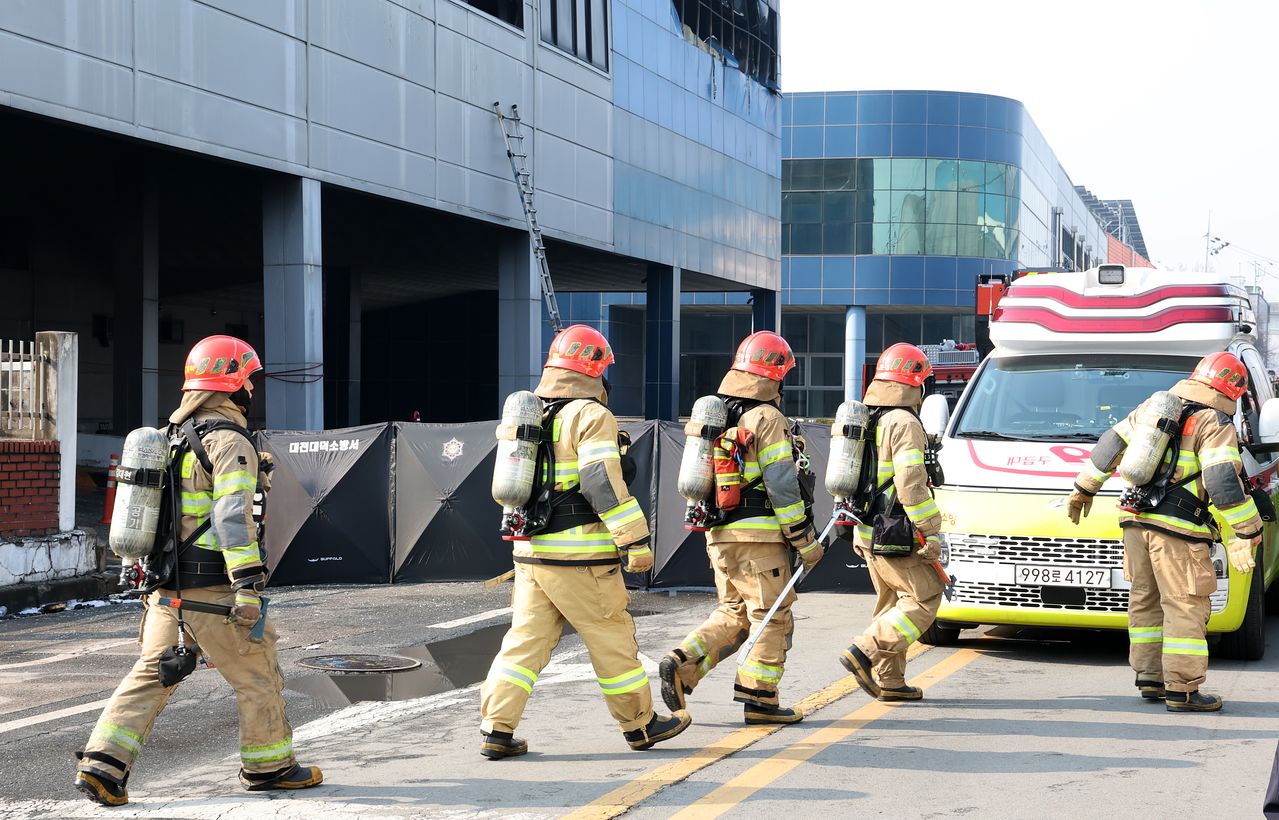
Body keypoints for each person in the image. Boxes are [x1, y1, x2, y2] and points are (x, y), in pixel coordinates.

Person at [74, 335, 322, 806]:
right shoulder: (230, 442)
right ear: (233, 383)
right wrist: (248, 586)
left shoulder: (167, 440)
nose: (253, 388)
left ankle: (103, 767)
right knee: (257, 673)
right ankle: (270, 766)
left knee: (152, 673)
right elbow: (233, 518)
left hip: (165, 589)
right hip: (214, 591)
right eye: (249, 379)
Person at [479, 325, 690, 758]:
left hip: (531, 552)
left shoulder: (532, 411)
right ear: (596, 369)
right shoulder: (591, 416)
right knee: (611, 636)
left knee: (524, 641)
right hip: (581, 557)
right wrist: (634, 540)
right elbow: (602, 484)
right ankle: (641, 725)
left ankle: (496, 729)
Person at [1067, 351, 1263, 712]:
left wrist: (1083, 489)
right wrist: (1247, 531)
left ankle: (1150, 678)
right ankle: (1183, 689)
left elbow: (1110, 444)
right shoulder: (1213, 421)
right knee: (1185, 604)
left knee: (1145, 599)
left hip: (1135, 521)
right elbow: (1221, 481)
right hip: (1177, 530)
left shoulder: (1154, 406)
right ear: (1233, 389)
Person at [658, 331, 822, 725]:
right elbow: (782, 484)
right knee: (772, 614)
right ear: (776, 376)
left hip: (720, 535)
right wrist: (804, 538)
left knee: (734, 611)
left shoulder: (720, 414)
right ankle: (760, 696)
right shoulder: (767, 418)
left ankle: (682, 666)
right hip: (760, 539)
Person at [839, 343, 944, 702]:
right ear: (918, 384)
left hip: (867, 531)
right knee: (923, 597)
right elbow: (911, 482)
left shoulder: (870, 417)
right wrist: (931, 532)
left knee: (890, 604)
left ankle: (891, 680)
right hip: (898, 532)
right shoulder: (905, 422)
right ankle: (865, 651)